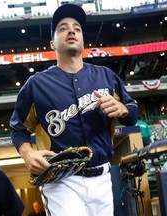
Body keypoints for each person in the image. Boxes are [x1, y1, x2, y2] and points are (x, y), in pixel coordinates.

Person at [9, 4, 138, 216]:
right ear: (52, 43)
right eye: (63, 28)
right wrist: (28, 154)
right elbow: (17, 128)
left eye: (77, 28)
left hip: (103, 176)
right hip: (61, 180)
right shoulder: (36, 84)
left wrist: (123, 109)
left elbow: (133, 114)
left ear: (83, 40)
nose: (71, 30)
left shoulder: (106, 76)